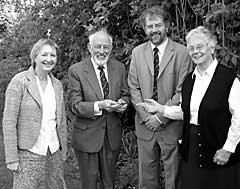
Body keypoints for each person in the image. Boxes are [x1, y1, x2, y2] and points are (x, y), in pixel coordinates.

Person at [137, 26, 240, 189]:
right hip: (192, 150)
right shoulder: (190, 80)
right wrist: (161, 109)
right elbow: (185, 112)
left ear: (212, 45)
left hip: (219, 149)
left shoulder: (228, 78)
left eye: (200, 46)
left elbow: (239, 117)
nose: (195, 51)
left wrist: (228, 149)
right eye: (191, 48)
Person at [128, 5, 193, 189]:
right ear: (144, 28)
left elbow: (182, 91)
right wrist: (147, 117)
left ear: (167, 25)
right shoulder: (137, 53)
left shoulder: (182, 53)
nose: (154, 30)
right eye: (150, 26)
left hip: (171, 126)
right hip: (145, 125)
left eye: (158, 25)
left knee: (174, 176)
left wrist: (160, 117)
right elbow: (133, 87)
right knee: (147, 176)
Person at [68, 29, 130, 189]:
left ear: (111, 48)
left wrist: (123, 103)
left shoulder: (119, 68)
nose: (102, 51)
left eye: (106, 47)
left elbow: (125, 94)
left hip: (111, 135)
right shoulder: (76, 70)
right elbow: (75, 105)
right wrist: (99, 105)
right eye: (98, 47)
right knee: (89, 184)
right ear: (90, 47)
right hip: (86, 136)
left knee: (109, 183)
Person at [2, 38, 67, 189]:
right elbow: (9, 122)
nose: (49, 59)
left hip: (53, 151)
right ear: (35, 57)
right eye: (44, 55)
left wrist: (63, 151)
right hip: (28, 153)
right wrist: (12, 157)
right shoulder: (20, 82)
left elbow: (61, 121)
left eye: (53, 55)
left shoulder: (57, 85)